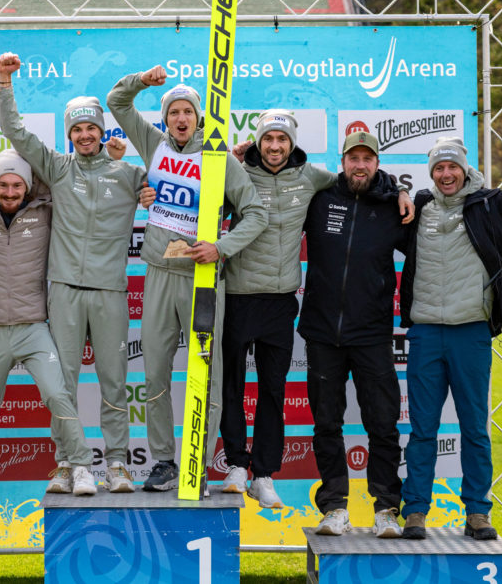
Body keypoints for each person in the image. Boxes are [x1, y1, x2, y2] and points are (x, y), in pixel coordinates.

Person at [223, 113, 411, 513]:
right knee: (234, 389)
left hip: (298, 306)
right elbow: (200, 198)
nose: (275, 146)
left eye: (282, 140)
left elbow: (367, 182)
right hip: (245, 298)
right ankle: (243, 466)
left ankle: (267, 475)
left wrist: (397, 190)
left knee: (275, 392)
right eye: (268, 139)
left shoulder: (315, 180)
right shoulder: (245, 175)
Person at [107, 66, 267, 492]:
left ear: (199, 118)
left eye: (188, 112)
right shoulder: (152, 143)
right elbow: (116, 103)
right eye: (174, 112)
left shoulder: (219, 158)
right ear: (165, 118)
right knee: (155, 372)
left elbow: (257, 213)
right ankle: (163, 462)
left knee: (206, 373)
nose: (181, 119)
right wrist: (140, 80)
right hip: (159, 275)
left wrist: (222, 248)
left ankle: (196, 458)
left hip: (203, 279)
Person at [399, 108, 502, 541]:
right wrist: (396, 192)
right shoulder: (419, 209)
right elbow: (365, 194)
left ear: (465, 169)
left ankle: (478, 513)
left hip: (470, 332)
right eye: (439, 167)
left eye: (452, 167)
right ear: (431, 173)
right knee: (422, 431)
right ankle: (414, 512)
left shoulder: (490, 205)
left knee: (474, 428)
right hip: (426, 332)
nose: (446, 174)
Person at [0, 53, 147, 494]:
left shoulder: (130, 174)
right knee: (61, 385)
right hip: (62, 291)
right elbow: (15, 133)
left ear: (103, 131)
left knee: (114, 381)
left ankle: (117, 463)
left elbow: (183, 181)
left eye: (91, 128)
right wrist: (6, 84)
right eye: (77, 129)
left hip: (109, 292)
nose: (84, 135)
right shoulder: (58, 169)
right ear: (69, 134)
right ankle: (65, 462)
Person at [0, 150, 100, 513]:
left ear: (28, 187)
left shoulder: (44, 208)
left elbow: (65, 179)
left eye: (17, 185)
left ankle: (82, 467)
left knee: (59, 395)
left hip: (32, 327)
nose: (10, 192)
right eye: (3, 185)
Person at [296, 129, 413, 538]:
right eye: (353, 158)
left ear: (377, 164)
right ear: (342, 161)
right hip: (322, 334)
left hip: (373, 335)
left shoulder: (392, 206)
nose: (359, 165)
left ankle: (386, 509)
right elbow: (278, 181)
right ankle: (334, 508)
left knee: (382, 425)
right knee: (326, 425)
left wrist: (399, 191)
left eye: (367, 159)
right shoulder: (321, 198)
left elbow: (426, 245)